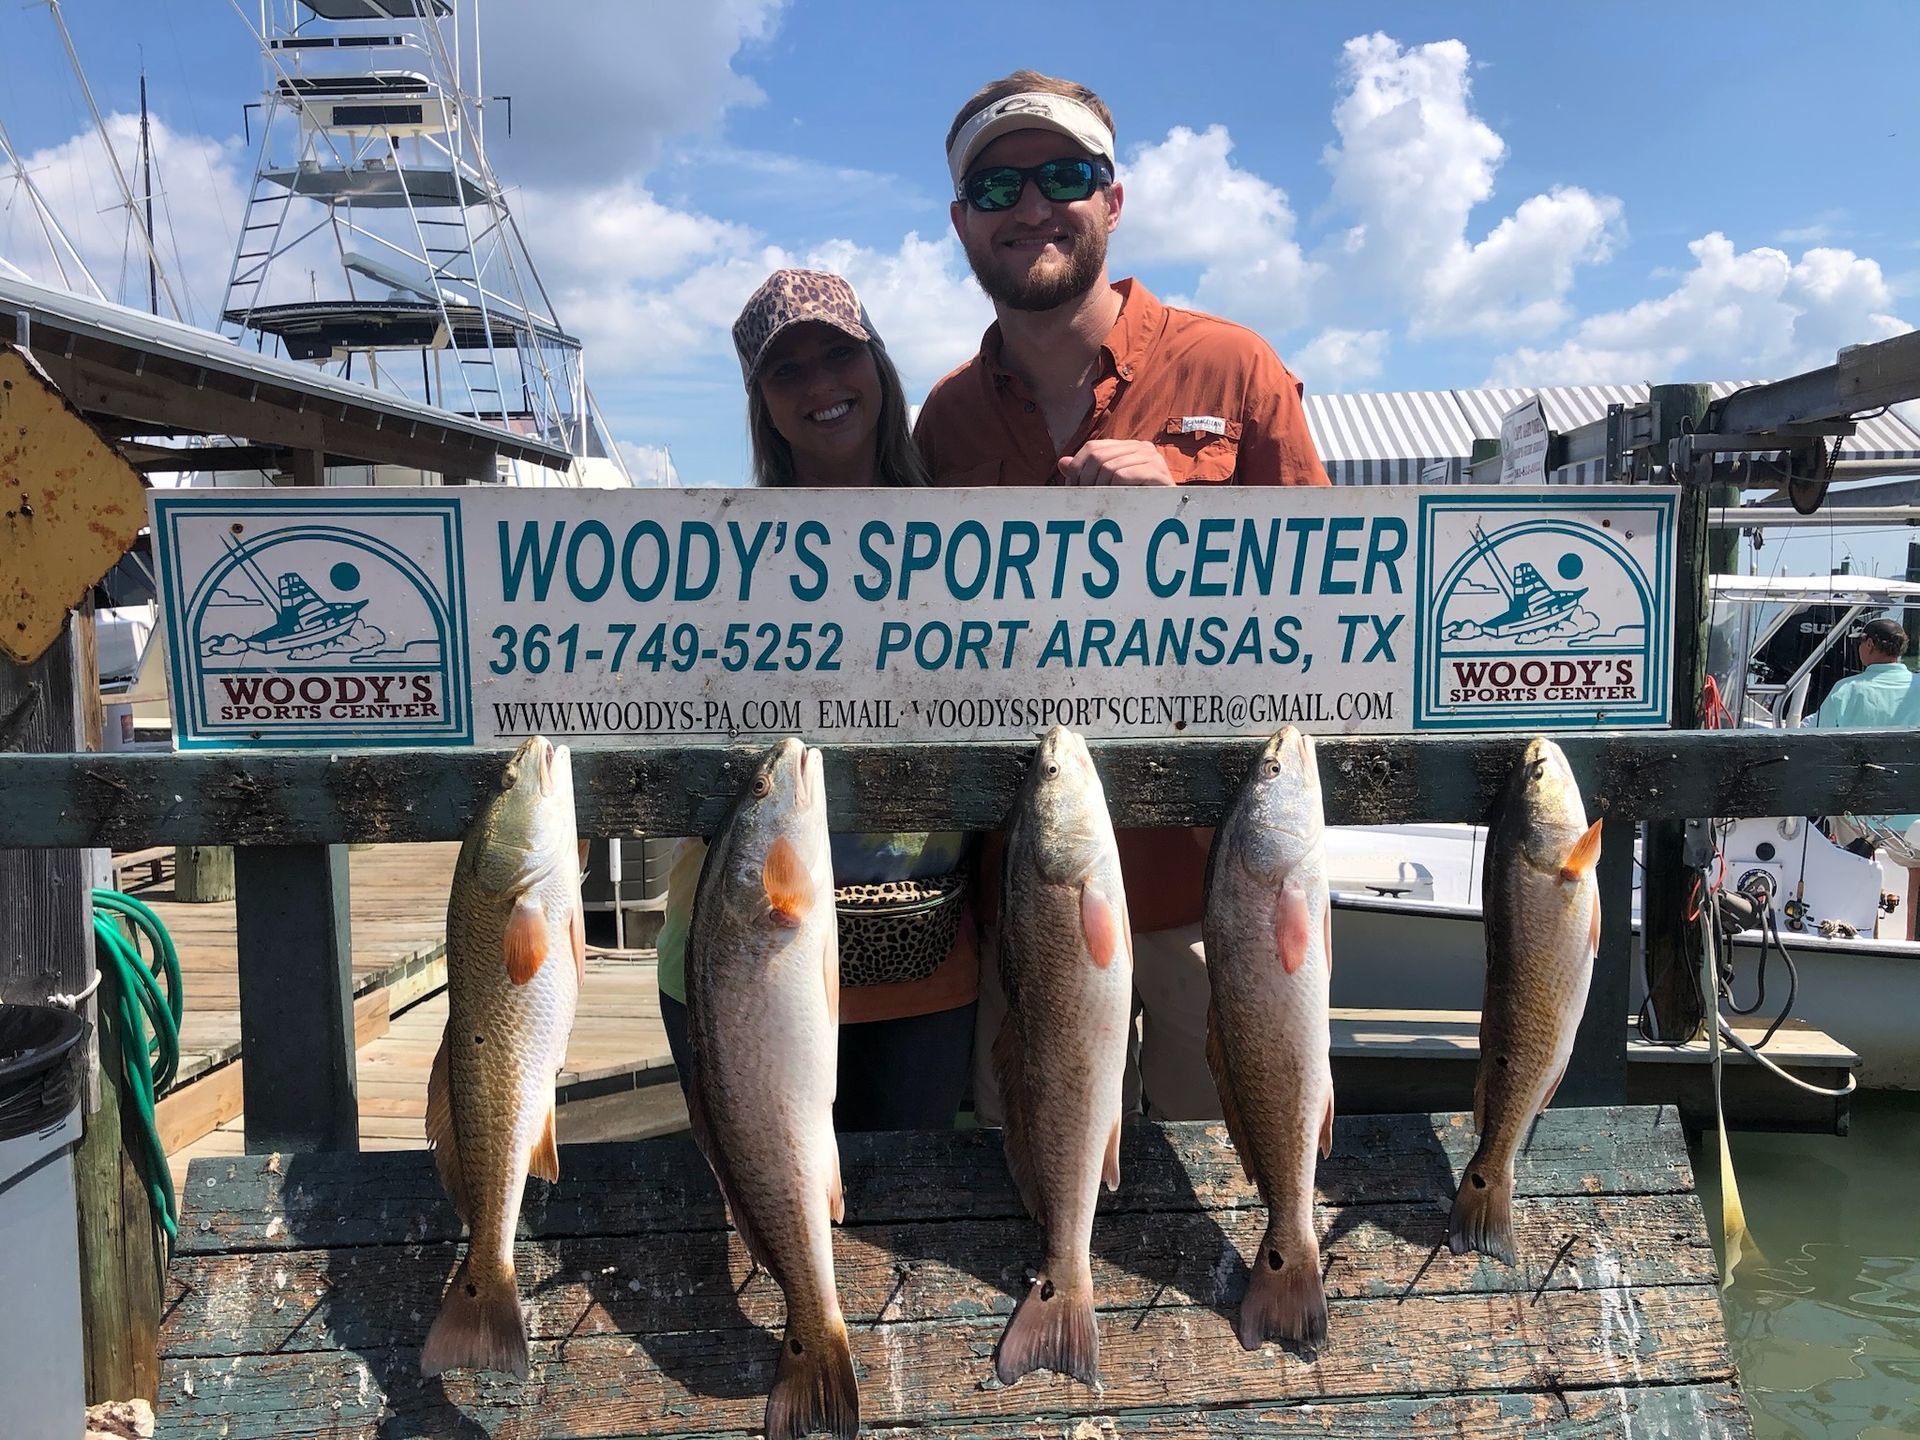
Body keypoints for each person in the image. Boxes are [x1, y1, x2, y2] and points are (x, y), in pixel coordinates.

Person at [912, 70, 1332, 1124]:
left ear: (1113, 197)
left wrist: (1190, 528)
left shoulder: (1236, 368)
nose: (1031, 206)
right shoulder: (947, 422)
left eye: (1063, 174)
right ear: (963, 222)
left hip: (1223, 898)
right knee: (1037, 1194)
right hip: (1032, 899)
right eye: (998, 187)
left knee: (1240, 1188)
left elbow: (1331, 622)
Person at [653, 269, 979, 1130]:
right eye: (787, 371)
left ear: (878, 364)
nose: (822, 385)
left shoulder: (968, 536)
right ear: (761, 400)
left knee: (907, 1224)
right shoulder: (716, 553)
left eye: (840, 353)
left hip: (923, 948)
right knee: (758, 1219)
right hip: (738, 949)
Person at [1810, 616, 1918, 853]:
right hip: (1913, 812)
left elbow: (1815, 738)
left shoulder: (1847, 689)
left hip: (1859, 812)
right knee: (1915, 864)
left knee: (1854, 856)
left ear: (1869, 644)